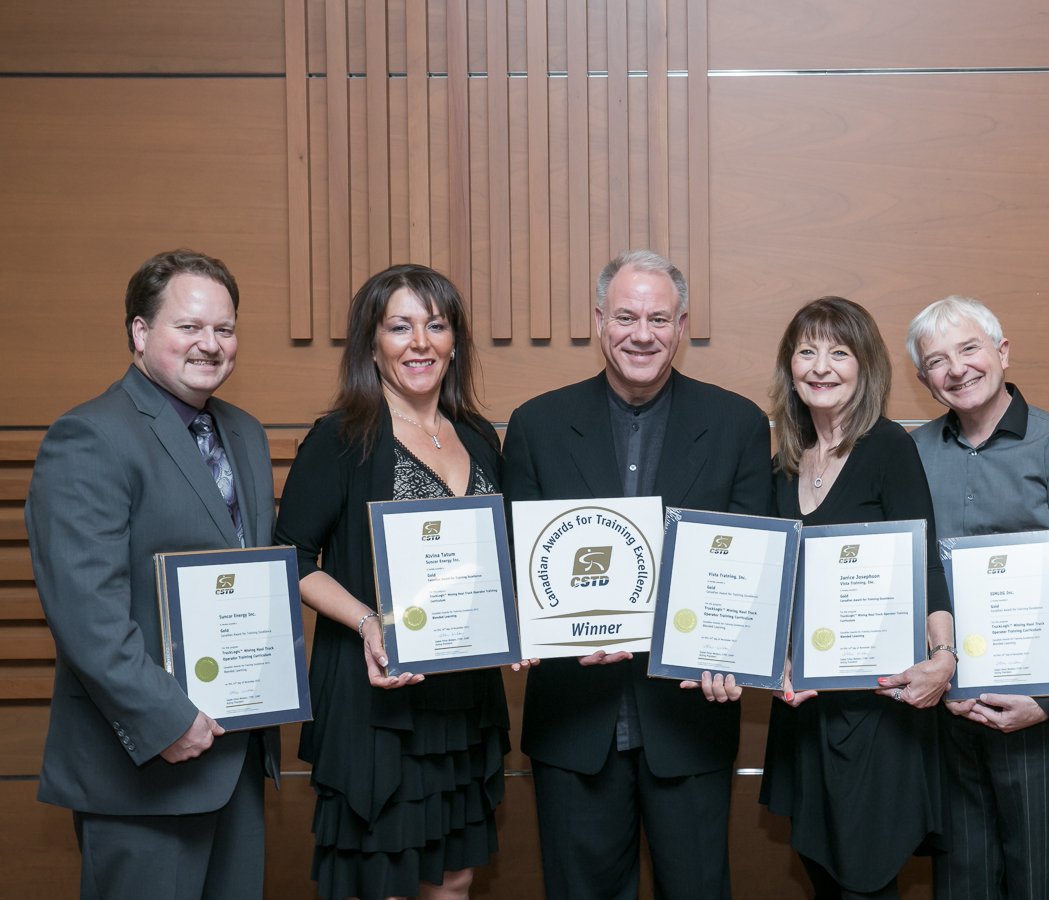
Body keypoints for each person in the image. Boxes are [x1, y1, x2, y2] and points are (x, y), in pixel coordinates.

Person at [502, 249, 772, 899]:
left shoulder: (738, 424)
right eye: (626, 316)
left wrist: (726, 643)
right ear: (599, 320)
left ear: (682, 325)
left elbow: (750, 566)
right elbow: (513, 563)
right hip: (573, 721)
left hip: (690, 720)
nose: (642, 334)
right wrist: (538, 629)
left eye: (659, 317)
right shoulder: (536, 424)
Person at [24, 249, 281, 900]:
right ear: (141, 334)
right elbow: (88, 615)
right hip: (146, 764)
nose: (211, 344)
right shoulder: (90, 436)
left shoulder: (245, 433)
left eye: (224, 329)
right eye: (189, 327)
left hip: (235, 758)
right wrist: (169, 720)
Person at [274, 265, 509, 900]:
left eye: (436, 325)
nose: (420, 342)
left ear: (455, 340)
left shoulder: (481, 438)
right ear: (371, 343)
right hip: (380, 703)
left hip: (464, 705)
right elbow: (290, 557)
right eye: (399, 327)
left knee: (454, 882)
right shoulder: (343, 437)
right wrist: (368, 622)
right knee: (389, 885)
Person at [906, 296, 1049, 900]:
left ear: (1002, 352)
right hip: (948, 704)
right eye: (936, 361)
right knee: (960, 881)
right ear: (924, 380)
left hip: (1039, 712)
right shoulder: (912, 453)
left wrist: (1045, 700)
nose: (957, 369)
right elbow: (911, 574)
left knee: (1040, 879)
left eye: (969, 349)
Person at [759, 296, 955, 900]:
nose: (821, 366)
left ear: (865, 366)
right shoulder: (785, 463)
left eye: (839, 352)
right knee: (825, 875)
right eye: (807, 350)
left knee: (865, 883)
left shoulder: (888, 447)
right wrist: (774, 661)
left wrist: (945, 657)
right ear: (789, 365)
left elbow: (925, 564)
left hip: (876, 710)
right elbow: (775, 587)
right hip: (807, 706)